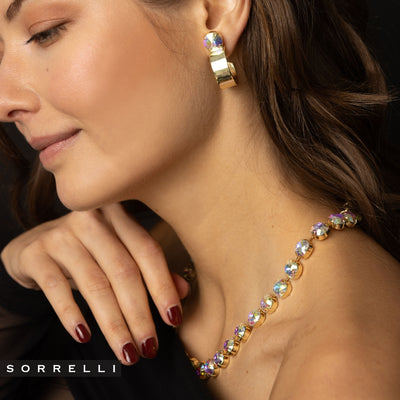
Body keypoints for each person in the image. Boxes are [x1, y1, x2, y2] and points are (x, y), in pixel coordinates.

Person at [0, 0, 399, 399]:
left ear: (216, 10)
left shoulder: (344, 370)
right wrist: (16, 290)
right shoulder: (112, 271)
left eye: (45, 33)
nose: (5, 103)